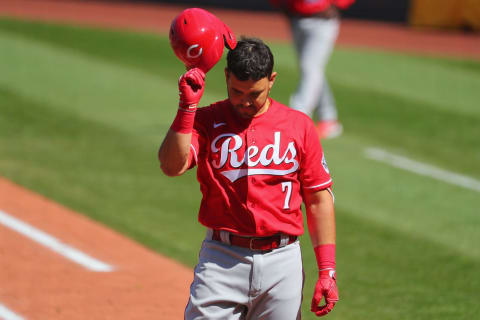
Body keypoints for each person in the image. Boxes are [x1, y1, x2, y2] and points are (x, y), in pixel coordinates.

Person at [158, 37, 338, 319]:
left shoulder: (298, 125)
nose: (244, 101)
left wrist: (327, 270)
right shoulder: (207, 120)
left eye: (254, 94)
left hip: (283, 261)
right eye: (236, 91)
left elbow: (318, 199)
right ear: (227, 76)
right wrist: (186, 109)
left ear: (272, 80)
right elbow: (171, 166)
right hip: (222, 259)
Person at [270, 0, 355, 139]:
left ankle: (299, 116)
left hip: (323, 21)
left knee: (310, 68)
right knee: (312, 71)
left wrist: (338, 4)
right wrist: (282, 5)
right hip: (297, 19)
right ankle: (329, 118)